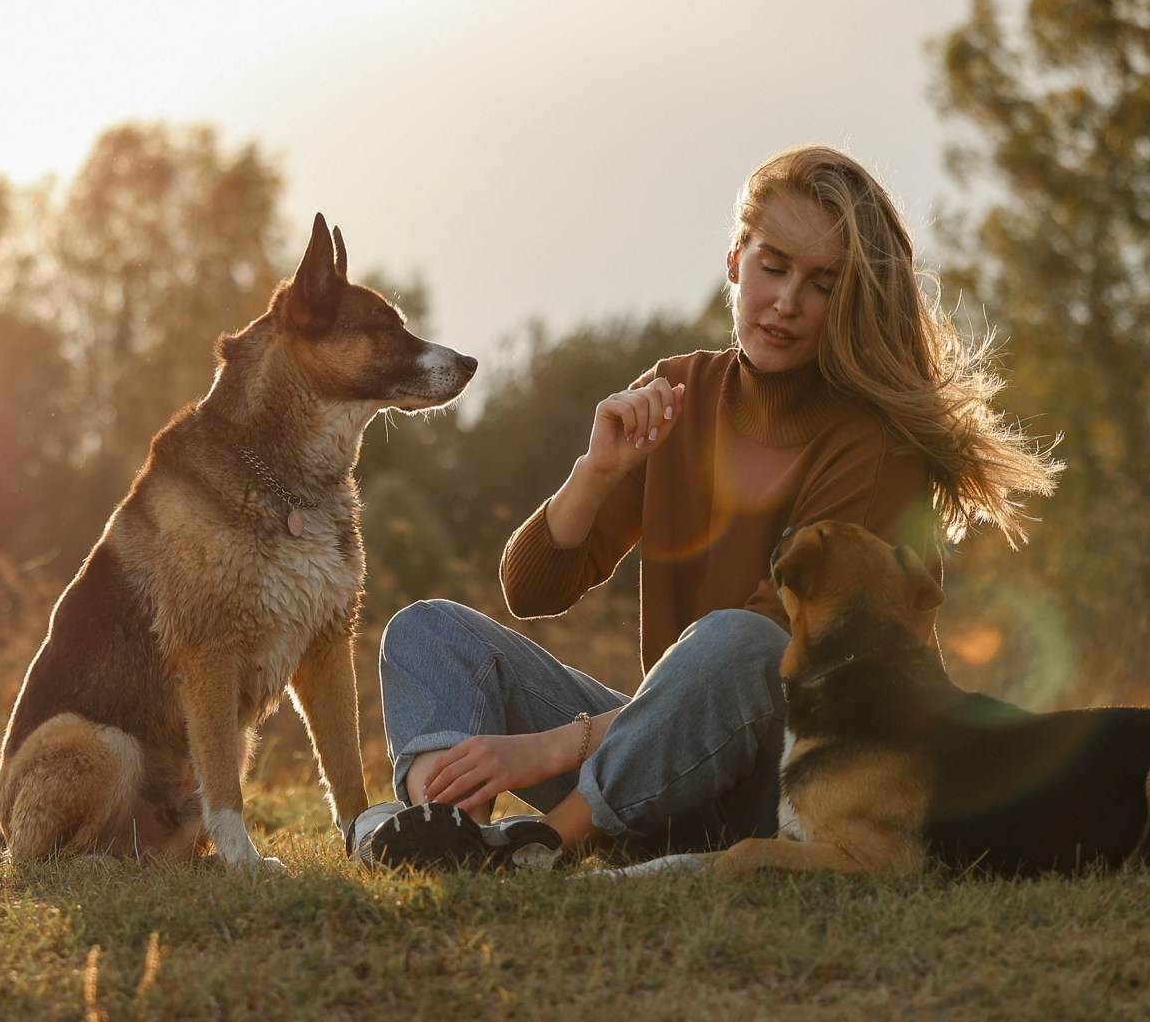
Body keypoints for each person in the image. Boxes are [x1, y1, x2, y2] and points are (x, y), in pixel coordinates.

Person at [352, 144, 1060, 868]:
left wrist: (556, 747)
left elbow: (773, 657)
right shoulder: (679, 392)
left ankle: (539, 848)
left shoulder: (873, 445)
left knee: (740, 641)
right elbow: (530, 589)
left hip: (792, 786)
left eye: (821, 283)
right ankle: (440, 829)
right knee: (428, 632)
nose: (786, 302)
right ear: (735, 262)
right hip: (656, 768)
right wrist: (596, 471)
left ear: (848, 298)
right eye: (773, 266)